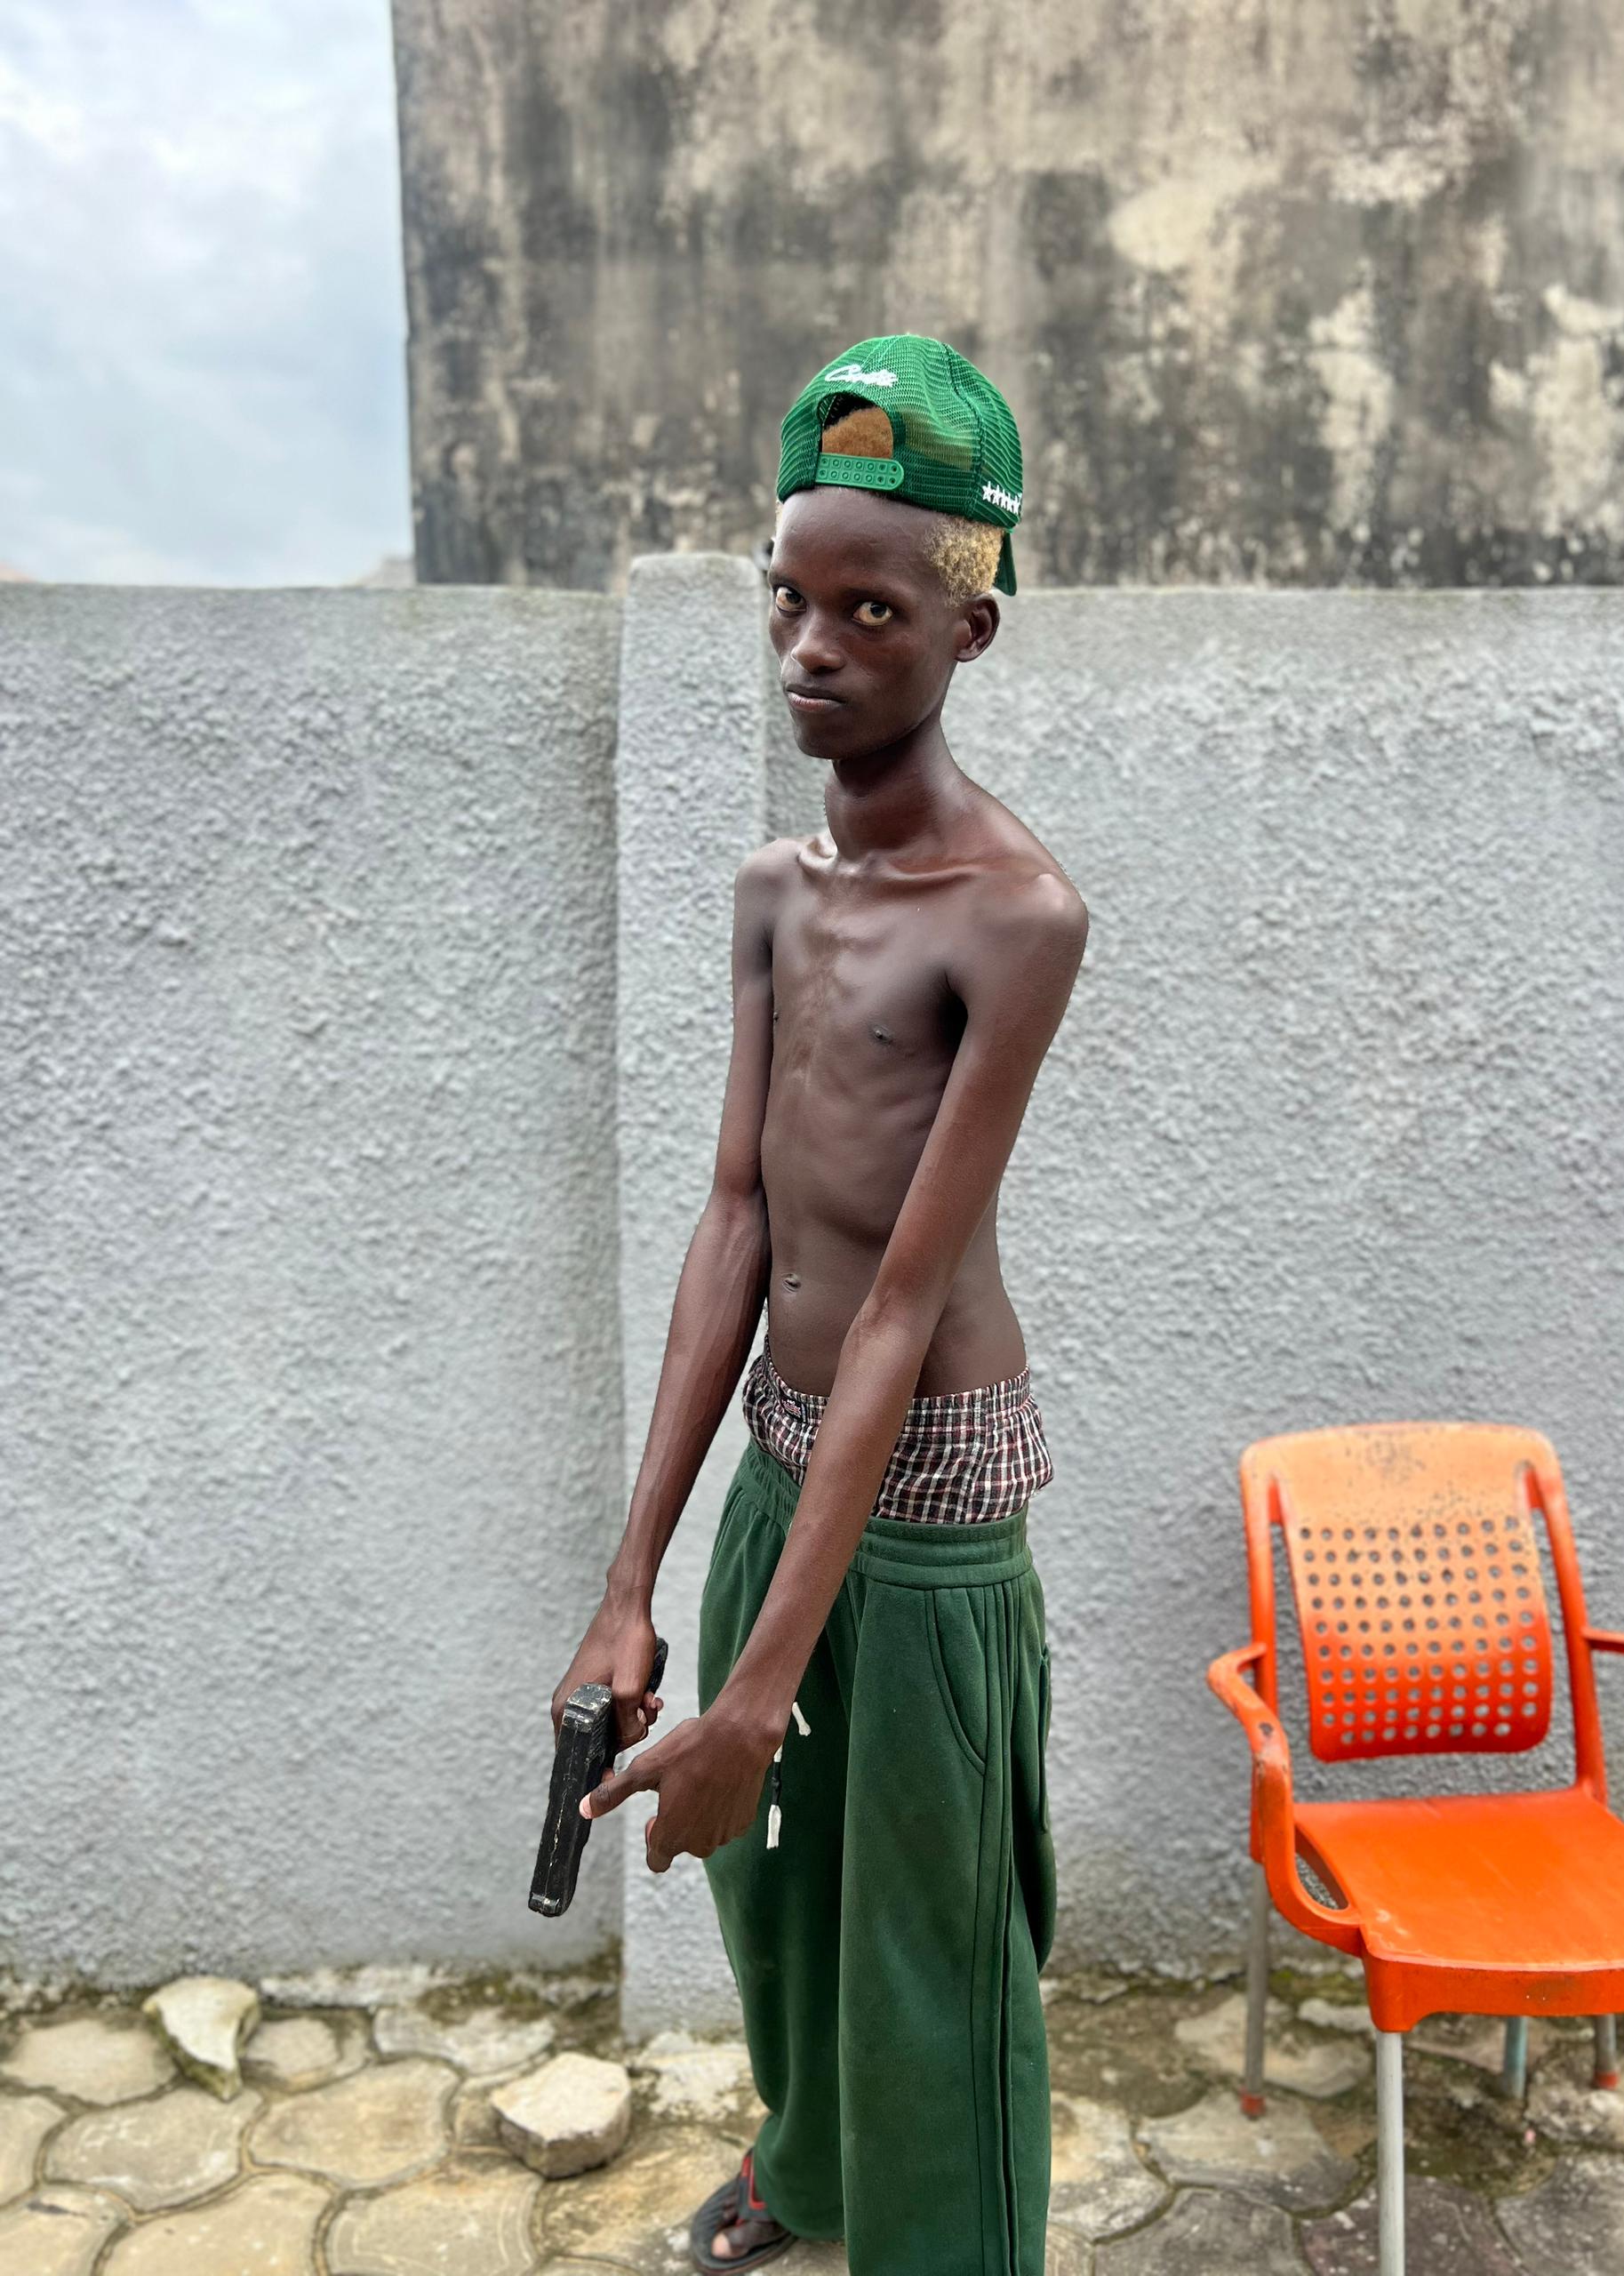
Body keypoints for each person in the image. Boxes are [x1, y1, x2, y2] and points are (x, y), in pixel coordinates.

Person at [552, 333, 1089, 2276]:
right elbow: (734, 1220)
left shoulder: (1013, 914)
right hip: (789, 1458)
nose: (814, 646)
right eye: (791, 596)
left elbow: (898, 1299)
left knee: (926, 1948)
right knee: (773, 1904)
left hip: (927, 1490)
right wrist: (633, 1581)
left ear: (969, 631)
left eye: (873, 610)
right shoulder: (776, 889)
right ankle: (815, 2171)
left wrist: (753, 1697)